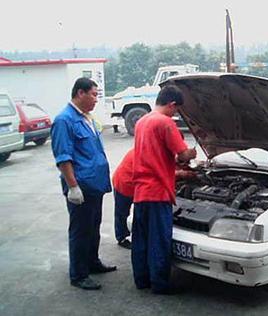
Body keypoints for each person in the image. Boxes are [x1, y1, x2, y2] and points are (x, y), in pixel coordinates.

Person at [51, 77, 116, 290]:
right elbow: (63, 157)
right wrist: (73, 187)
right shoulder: (64, 120)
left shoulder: (86, 117)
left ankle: (92, 262)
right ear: (80, 93)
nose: (96, 99)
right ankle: (78, 274)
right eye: (94, 94)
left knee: (93, 226)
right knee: (80, 230)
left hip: (95, 185)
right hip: (81, 187)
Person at [131, 85, 196, 294]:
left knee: (141, 239)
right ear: (171, 104)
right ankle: (160, 283)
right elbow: (182, 156)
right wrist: (192, 153)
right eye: (176, 110)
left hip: (140, 190)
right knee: (159, 239)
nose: (175, 114)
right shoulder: (165, 123)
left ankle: (141, 279)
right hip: (158, 191)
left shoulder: (142, 122)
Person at [113, 147, 197, 250]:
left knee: (139, 213)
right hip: (125, 183)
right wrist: (180, 173)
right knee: (122, 212)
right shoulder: (147, 153)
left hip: (139, 185)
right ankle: (122, 237)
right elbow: (158, 172)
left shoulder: (155, 149)